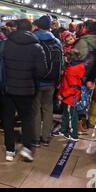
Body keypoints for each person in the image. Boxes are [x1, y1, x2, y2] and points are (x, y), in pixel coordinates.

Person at [2, 19, 48, 162]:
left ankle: (10, 150)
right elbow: (42, 71)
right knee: (27, 119)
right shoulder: (36, 47)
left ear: (16, 28)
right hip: (27, 89)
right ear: (31, 29)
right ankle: (27, 148)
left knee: (8, 120)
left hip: (8, 88)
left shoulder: (6, 43)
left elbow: (0, 64)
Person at [32, 15, 64, 147]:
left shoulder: (34, 39)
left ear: (38, 25)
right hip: (51, 81)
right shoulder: (56, 41)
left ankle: (35, 139)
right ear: (50, 26)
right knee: (48, 109)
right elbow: (61, 63)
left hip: (36, 81)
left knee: (35, 110)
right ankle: (45, 137)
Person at [74, 20, 96, 132]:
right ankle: (91, 122)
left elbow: (77, 58)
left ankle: (81, 121)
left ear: (86, 28)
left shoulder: (82, 42)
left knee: (82, 98)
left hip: (85, 75)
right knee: (95, 99)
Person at [55, 49, 86, 141]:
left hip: (70, 98)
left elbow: (74, 88)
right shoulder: (79, 67)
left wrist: (63, 95)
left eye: (66, 56)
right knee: (66, 114)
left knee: (71, 116)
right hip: (70, 98)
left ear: (70, 58)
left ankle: (73, 134)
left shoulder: (71, 71)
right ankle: (63, 130)